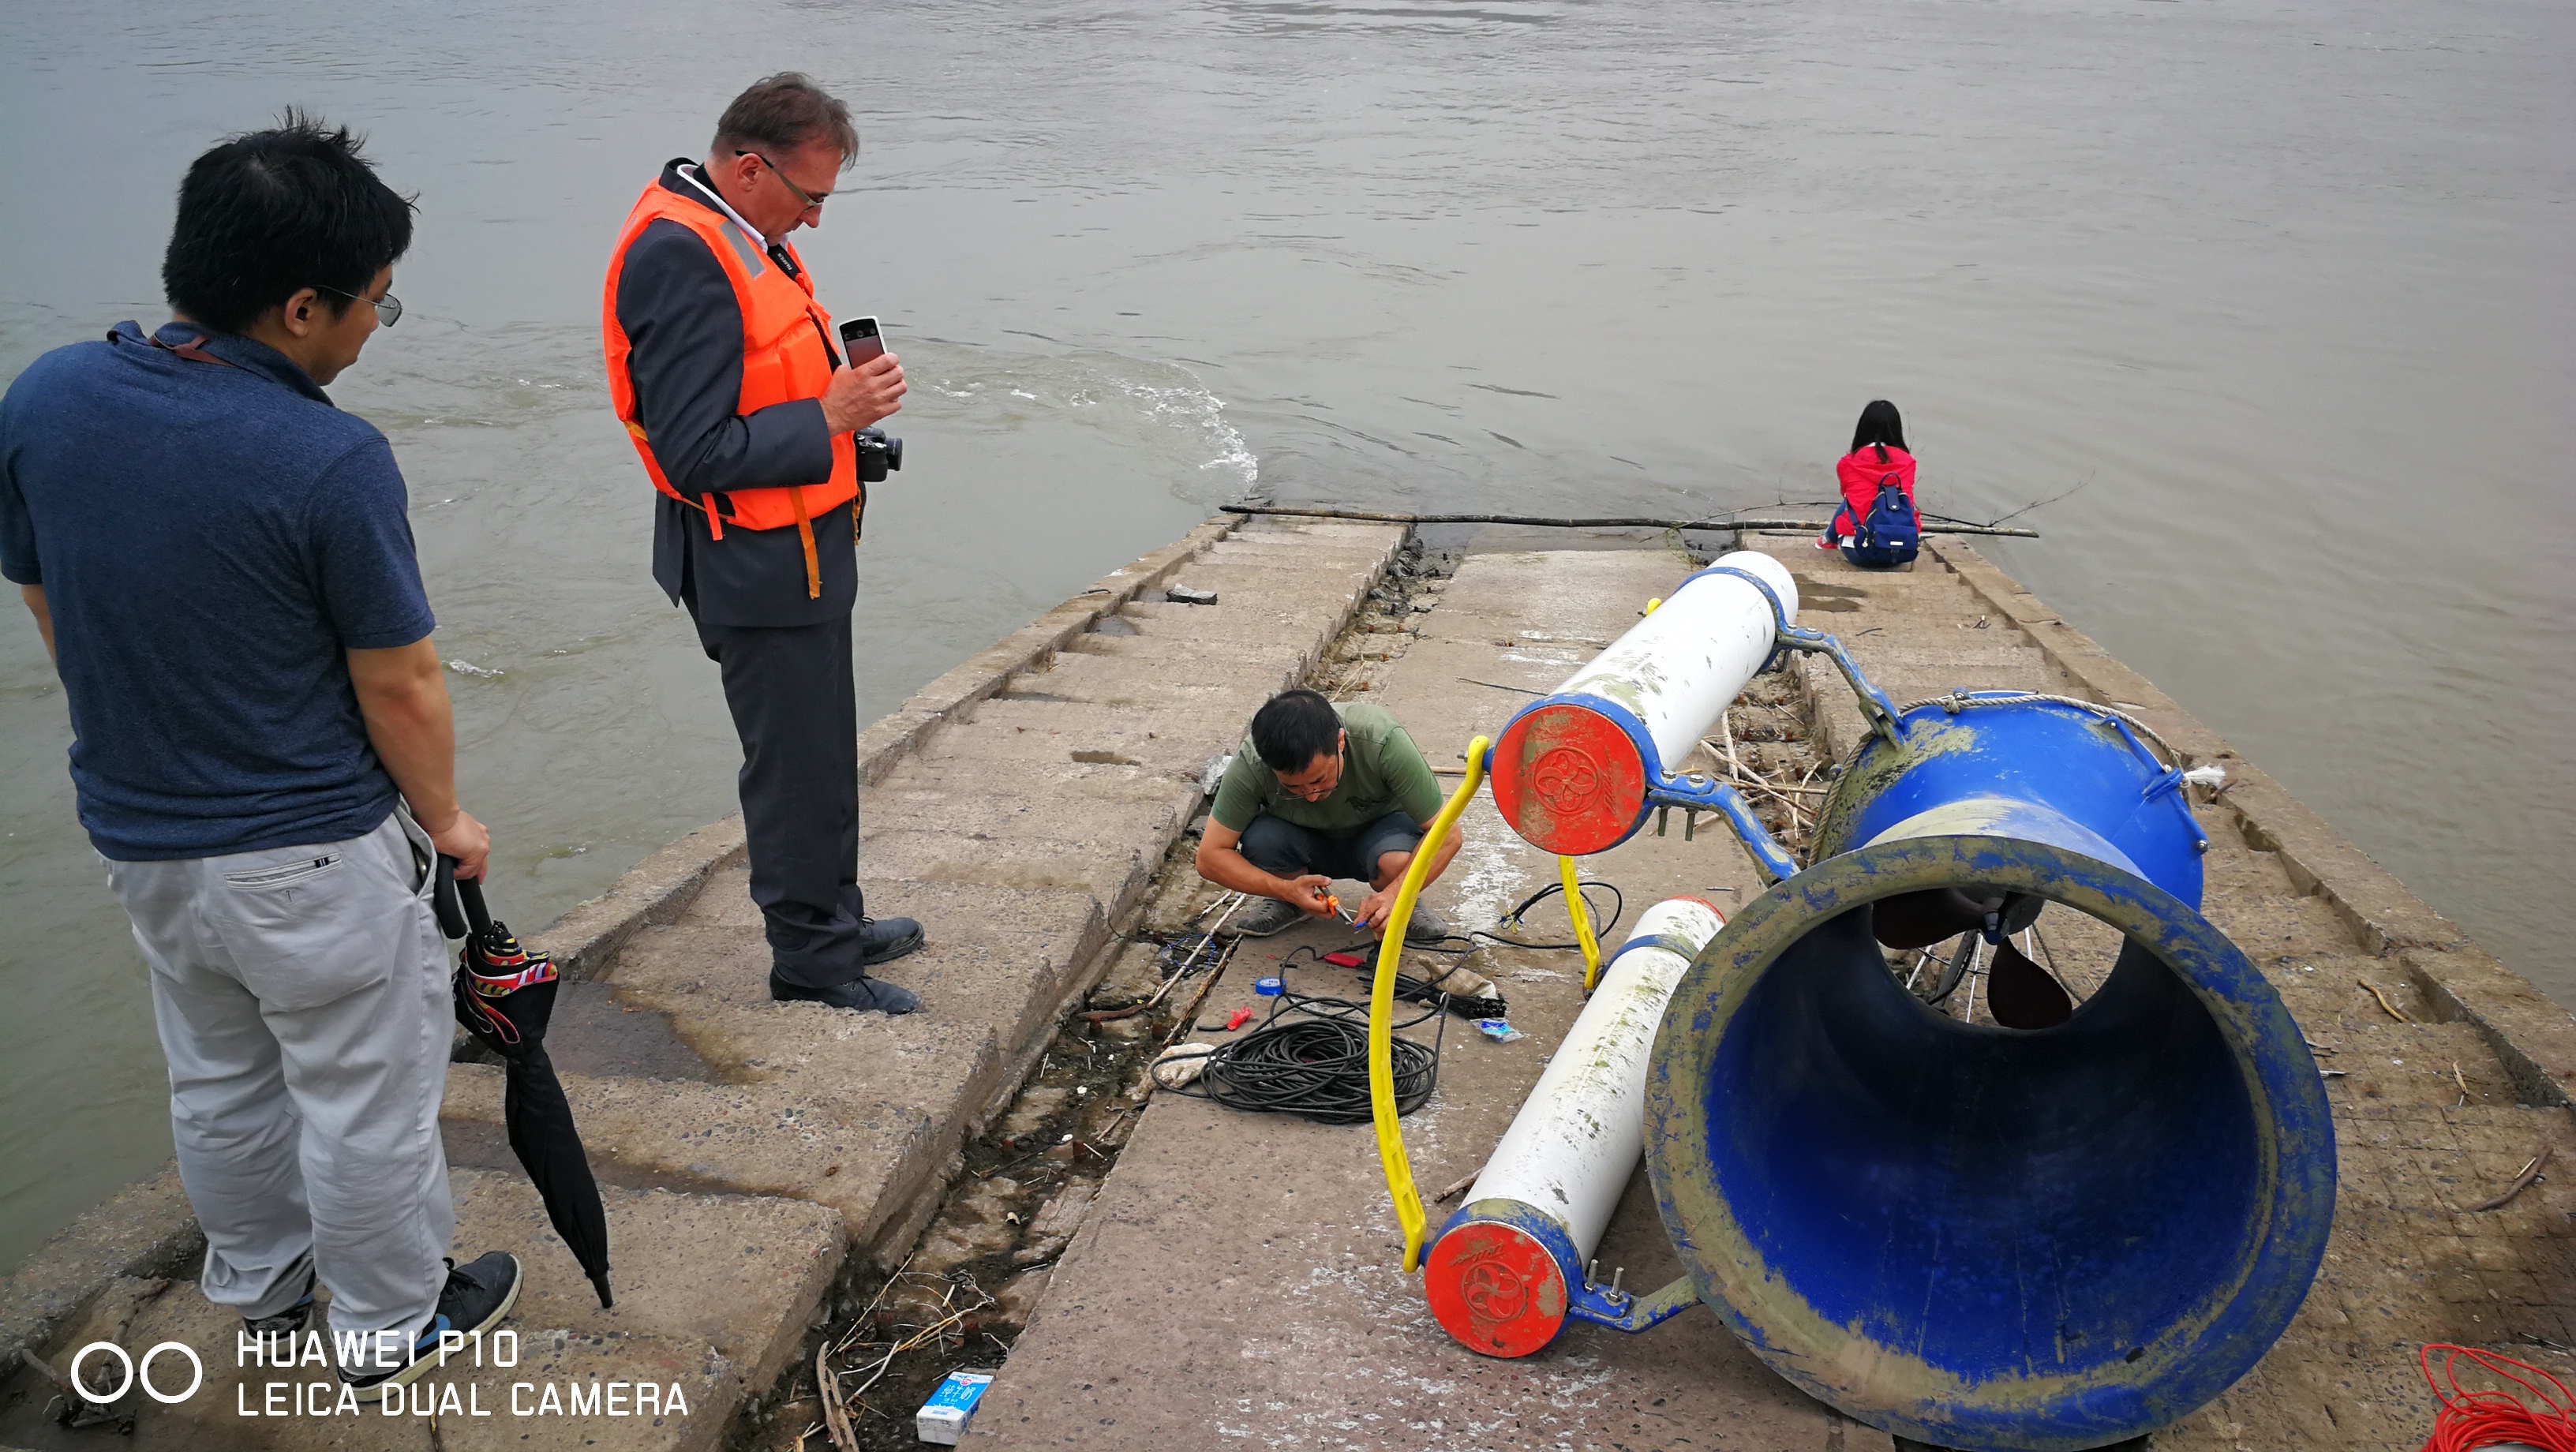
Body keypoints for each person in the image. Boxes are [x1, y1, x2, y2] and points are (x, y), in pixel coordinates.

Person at [0, 114, 519, 1400]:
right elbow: (398, 681)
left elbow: (44, 592)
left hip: (139, 834)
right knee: (363, 1097)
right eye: (372, 309)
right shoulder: (327, 457)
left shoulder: (49, 394)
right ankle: (389, 1327)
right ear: (301, 308)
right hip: (309, 853)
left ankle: (264, 1287)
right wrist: (449, 821)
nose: (368, 335)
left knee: (220, 1074)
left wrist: (145, 732)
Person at [603, 73, 923, 1014]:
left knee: (824, 751)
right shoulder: (680, 254)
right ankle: (812, 963)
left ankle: (835, 915)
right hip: (753, 559)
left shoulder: (747, 234)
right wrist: (829, 412)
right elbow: (693, 451)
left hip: (809, 545)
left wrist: (845, 424)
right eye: (811, 197)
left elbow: (757, 382)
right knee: (791, 765)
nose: (817, 220)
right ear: (750, 168)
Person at [1196, 690, 1461, 941]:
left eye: (1320, 780)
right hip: (1299, 840)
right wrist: (1283, 889)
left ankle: (1405, 902)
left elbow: (1449, 834)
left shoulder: (1382, 740)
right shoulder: (1252, 761)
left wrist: (1396, 895)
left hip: (1381, 833)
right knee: (1263, 840)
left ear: (1340, 741)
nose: (1311, 796)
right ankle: (1290, 901)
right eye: (1293, 788)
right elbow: (1209, 857)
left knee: (1397, 863)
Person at [1818, 399, 1922, 568]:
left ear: (1863, 428)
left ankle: (1827, 540)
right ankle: (1827, 539)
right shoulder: (1908, 463)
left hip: (1859, 553)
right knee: (1895, 499)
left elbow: (1848, 496)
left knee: (1850, 501)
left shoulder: (1848, 463)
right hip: (1902, 552)